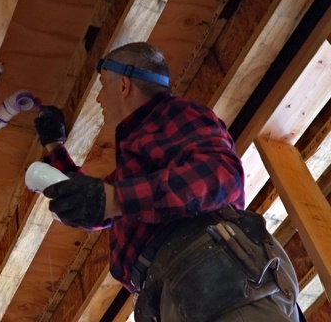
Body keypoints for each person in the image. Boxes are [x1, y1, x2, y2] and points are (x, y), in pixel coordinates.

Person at [34, 42, 301, 321]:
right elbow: (96, 202)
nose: (99, 99)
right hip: (184, 290)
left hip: (220, 283)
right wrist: (54, 146)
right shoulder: (138, 162)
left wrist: (115, 199)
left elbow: (221, 175)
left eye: (102, 86)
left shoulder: (175, 113)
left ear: (124, 85)